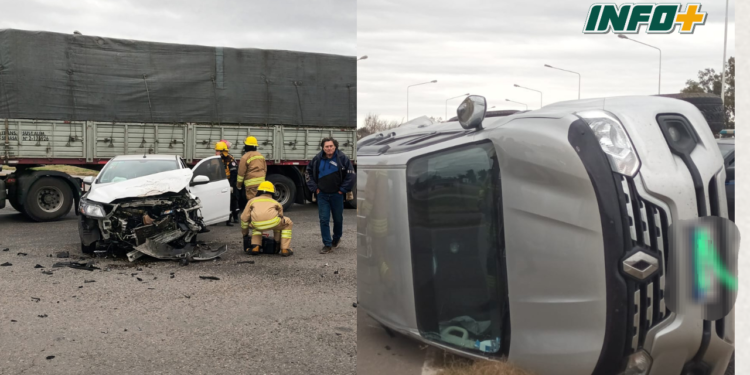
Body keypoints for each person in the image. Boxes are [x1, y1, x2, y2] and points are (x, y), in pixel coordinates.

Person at [305, 137, 355, 254]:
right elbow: (308, 172)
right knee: (324, 219)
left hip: (337, 195)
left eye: (331, 146)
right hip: (322, 195)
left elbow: (351, 176)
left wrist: (342, 190)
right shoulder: (317, 159)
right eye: (326, 146)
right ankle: (327, 244)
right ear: (323, 147)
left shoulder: (342, 158)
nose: (329, 148)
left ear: (335, 147)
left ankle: (336, 239)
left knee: (338, 219)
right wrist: (314, 188)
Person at [240, 181, 294, 257]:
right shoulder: (276, 202)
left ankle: (255, 247)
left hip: (256, 224)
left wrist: (245, 234)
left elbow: (244, 218)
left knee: (256, 225)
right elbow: (281, 216)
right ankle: (284, 248)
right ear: (272, 192)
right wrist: (277, 240)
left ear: (259, 191)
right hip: (273, 223)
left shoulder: (251, 201)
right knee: (287, 222)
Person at [214, 141, 239, 226]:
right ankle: (214, 219)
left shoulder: (230, 160)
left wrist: (231, 185)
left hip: (229, 182)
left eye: (217, 151)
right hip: (218, 182)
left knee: (232, 200)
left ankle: (232, 218)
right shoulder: (214, 160)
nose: (216, 152)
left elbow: (234, 173)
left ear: (222, 152)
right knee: (217, 201)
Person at [237, 136, 267, 201]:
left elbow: (241, 173)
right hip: (261, 183)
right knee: (260, 201)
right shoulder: (260, 155)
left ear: (247, 146)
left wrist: (239, 185)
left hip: (251, 185)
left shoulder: (245, 157)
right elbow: (265, 169)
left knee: (252, 202)